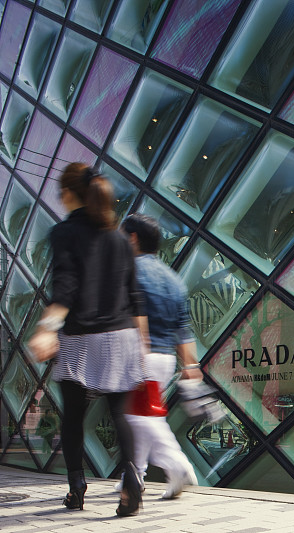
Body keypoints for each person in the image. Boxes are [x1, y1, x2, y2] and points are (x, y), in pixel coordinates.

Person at [28, 163, 146, 517]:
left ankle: (76, 487)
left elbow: (65, 287)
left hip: (81, 338)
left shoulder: (65, 233)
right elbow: (135, 296)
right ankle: (132, 481)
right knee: (119, 411)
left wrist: (47, 328)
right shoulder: (120, 238)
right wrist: (143, 344)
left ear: (68, 193)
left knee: (74, 415)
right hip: (123, 336)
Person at [119, 213, 202, 499]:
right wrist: (191, 365)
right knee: (143, 414)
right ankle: (135, 475)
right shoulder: (174, 280)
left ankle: (177, 465)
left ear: (133, 238)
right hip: (166, 359)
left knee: (140, 418)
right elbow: (183, 329)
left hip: (140, 355)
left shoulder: (129, 272)